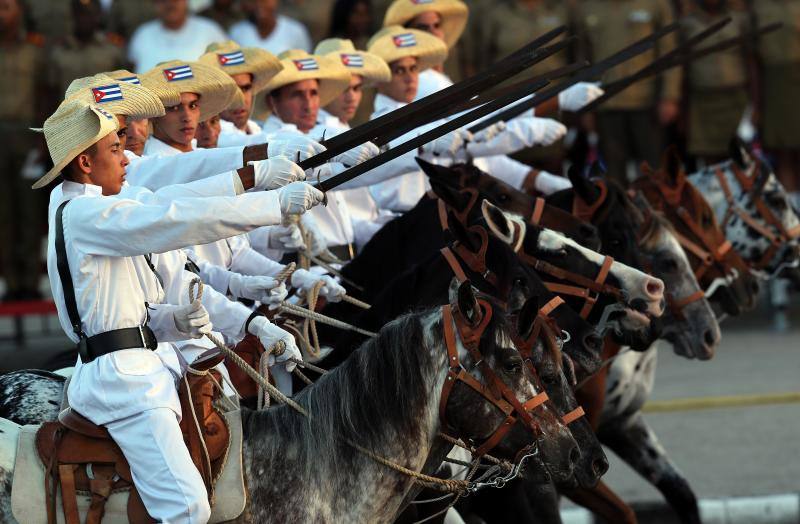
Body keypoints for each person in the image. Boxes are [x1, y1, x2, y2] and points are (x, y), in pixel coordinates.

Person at [37, 97, 322, 522]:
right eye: (115, 150)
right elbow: (170, 217)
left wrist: (171, 321)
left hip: (138, 367)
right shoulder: (84, 212)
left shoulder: (86, 206)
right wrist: (270, 205)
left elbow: (161, 208)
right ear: (85, 163)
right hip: (125, 383)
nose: (126, 159)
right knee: (187, 508)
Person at [576, 0, 682, 185]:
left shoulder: (657, 4)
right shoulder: (586, 6)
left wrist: (669, 96)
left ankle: (654, 214)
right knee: (613, 177)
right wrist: (585, 107)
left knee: (653, 173)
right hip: (606, 105)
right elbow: (581, 59)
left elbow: (669, 52)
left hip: (647, 104)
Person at [0, 0, 48, 301]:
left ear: (19, 11)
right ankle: (11, 282)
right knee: (2, 212)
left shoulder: (35, 51)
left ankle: (29, 280)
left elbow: (46, 93)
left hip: (26, 135)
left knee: (29, 211)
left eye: (6, 7)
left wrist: (42, 139)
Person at [680, 0, 754, 166]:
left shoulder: (740, 20)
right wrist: (683, 111)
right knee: (709, 159)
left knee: (740, 157)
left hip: (735, 98)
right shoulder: (687, 23)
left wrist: (755, 102)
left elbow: (751, 61)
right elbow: (682, 69)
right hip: (702, 99)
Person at [140, 60, 242, 155]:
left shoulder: (202, 153)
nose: (187, 117)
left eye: (193, 106)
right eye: (174, 108)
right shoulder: (150, 164)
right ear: (153, 114)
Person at [753, 0, 800, 206]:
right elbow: (753, 56)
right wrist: (757, 102)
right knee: (783, 152)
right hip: (773, 84)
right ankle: (793, 210)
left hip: (796, 75)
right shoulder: (758, 7)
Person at [198, 40, 284, 145]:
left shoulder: (255, 128)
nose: (241, 99)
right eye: (231, 91)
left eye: (245, 88)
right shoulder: (208, 139)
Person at [48, 0, 128, 97]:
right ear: (72, 16)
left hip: (104, 111)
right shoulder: (60, 52)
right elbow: (51, 92)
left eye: (89, 14)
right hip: (70, 111)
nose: (84, 19)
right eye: (80, 14)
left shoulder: (112, 50)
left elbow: (124, 89)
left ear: (98, 16)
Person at [128, 0, 227, 72]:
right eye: (163, 1)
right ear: (154, 4)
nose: (170, 4)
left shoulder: (210, 30)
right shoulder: (142, 34)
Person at [228, 0, 312, 54]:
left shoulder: (295, 30)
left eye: (265, 1)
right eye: (254, 1)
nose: (259, 5)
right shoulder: (237, 31)